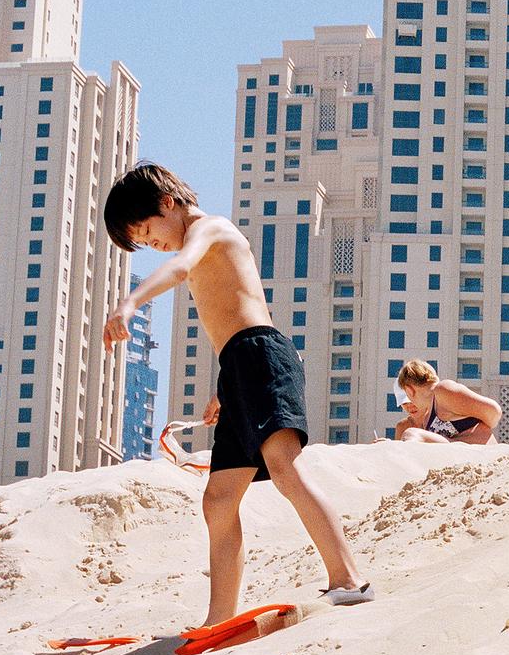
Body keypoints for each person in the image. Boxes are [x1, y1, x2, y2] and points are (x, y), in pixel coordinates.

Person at [102, 164, 369, 623]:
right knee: (219, 500)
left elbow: (184, 269)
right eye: (145, 244)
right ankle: (219, 616)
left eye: (149, 233)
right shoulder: (199, 238)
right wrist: (226, 390)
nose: (154, 245)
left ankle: (346, 580)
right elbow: (231, 317)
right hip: (241, 367)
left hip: (263, 357)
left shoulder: (211, 228)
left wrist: (130, 302)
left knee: (285, 469)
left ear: (168, 202)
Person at [393, 359, 502, 445]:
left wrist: (478, 432)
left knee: (412, 434)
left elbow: (494, 412)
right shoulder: (427, 417)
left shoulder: (443, 390)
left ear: (409, 390)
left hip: (482, 455)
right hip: (462, 458)